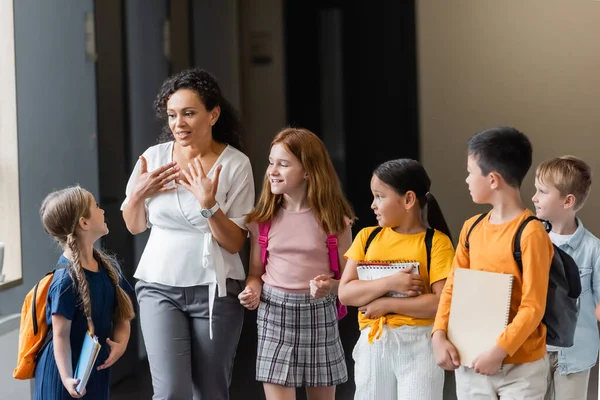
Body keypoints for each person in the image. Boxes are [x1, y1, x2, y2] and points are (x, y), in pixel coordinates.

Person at [121, 68, 255, 399]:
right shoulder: (152, 159)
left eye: (189, 113)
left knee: (210, 391)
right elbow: (135, 225)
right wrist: (137, 194)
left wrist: (209, 205)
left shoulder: (236, 164)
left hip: (215, 289)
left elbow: (235, 242)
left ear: (213, 114)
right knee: (170, 392)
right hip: (157, 285)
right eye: (172, 115)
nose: (178, 123)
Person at [432, 127, 554, 399]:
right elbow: (453, 287)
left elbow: (533, 306)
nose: (466, 179)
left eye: (470, 171)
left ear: (493, 179)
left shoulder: (531, 233)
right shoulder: (471, 228)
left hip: (521, 368)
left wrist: (498, 351)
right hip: (471, 361)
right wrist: (438, 334)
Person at [239, 128, 354, 400]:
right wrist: (252, 290)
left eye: (283, 164)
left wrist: (331, 287)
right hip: (273, 315)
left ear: (307, 171)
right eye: (271, 162)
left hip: (320, 315)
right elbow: (256, 273)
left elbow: (350, 284)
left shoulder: (335, 221)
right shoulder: (261, 220)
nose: (272, 170)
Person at [338, 159, 454, 400]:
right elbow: (346, 293)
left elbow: (442, 303)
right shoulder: (366, 237)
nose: (373, 205)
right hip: (374, 343)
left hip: (421, 345)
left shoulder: (436, 243)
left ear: (408, 200)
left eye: (380, 196)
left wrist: (387, 304)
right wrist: (390, 284)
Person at [34, 186, 135, 400]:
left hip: (91, 372)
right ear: (84, 223)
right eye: (96, 206)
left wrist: (122, 344)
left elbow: (123, 314)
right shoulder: (64, 281)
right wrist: (67, 378)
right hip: (66, 376)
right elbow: (60, 336)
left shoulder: (107, 268)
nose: (103, 210)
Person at [532, 156, 600, 400]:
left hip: (576, 355)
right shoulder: (530, 243)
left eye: (542, 191)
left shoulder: (594, 250)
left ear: (568, 200)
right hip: (532, 353)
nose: (534, 197)